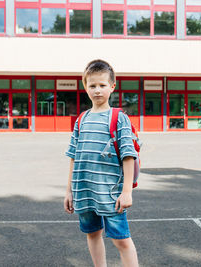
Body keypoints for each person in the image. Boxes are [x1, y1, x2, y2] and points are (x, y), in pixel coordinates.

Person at [64, 59, 139, 267]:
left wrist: (127, 192)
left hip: (110, 193)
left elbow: (128, 156)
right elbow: (73, 156)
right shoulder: (81, 120)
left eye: (102, 85)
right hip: (84, 190)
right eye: (92, 85)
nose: (97, 90)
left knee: (121, 239)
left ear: (112, 86)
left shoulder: (118, 118)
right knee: (92, 234)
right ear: (85, 87)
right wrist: (69, 190)